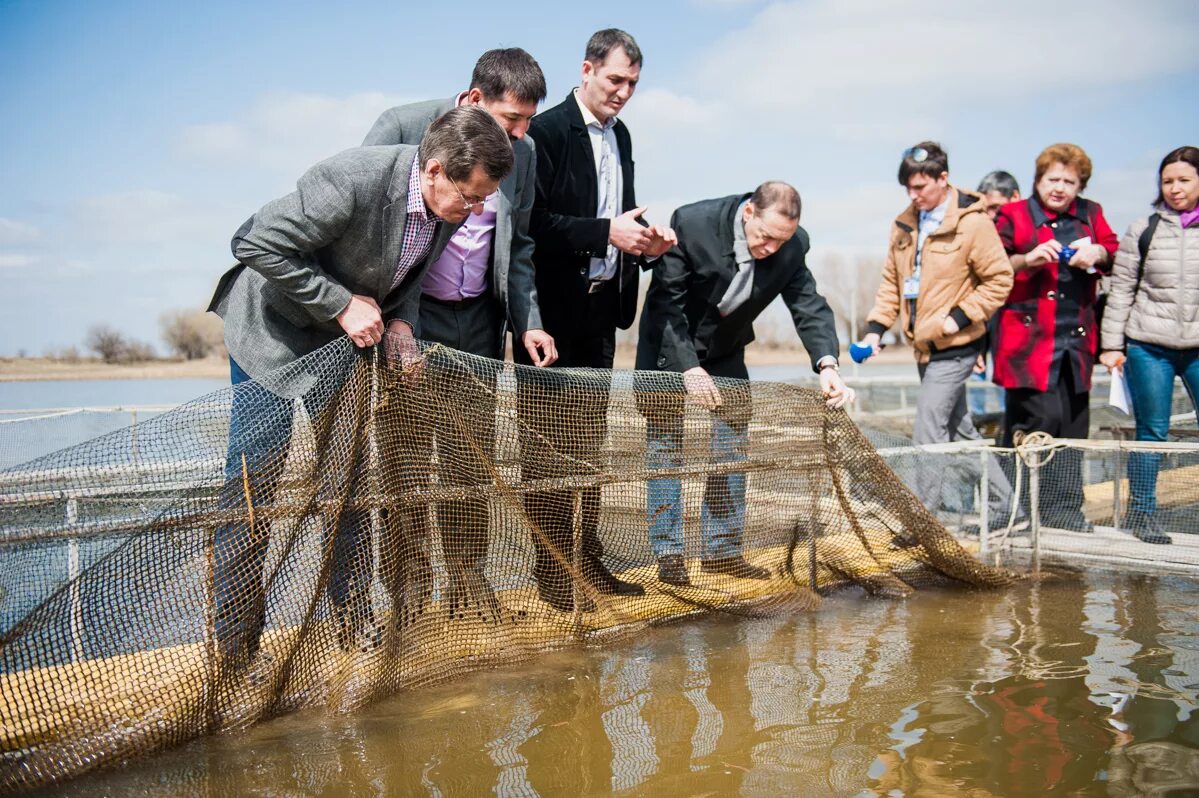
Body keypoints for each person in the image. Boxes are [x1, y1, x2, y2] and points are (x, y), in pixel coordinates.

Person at [206, 106, 514, 667]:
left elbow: (409, 277)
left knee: (346, 486)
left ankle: (350, 625)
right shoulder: (347, 179)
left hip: (340, 348)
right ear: (436, 170)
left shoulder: (446, 207)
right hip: (271, 336)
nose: (474, 214)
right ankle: (233, 648)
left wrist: (401, 322)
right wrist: (340, 303)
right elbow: (253, 243)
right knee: (255, 488)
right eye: (470, 198)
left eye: (482, 202)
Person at [360, 49, 555, 619]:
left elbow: (518, 249)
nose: (520, 136)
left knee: (472, 457)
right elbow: (375, 233)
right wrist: (397, 321)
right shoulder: (400, 126)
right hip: (409, 315)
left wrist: (530, 319)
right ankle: (411, 592)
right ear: (473, 101)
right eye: (510, 120)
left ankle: (470, 581)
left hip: (479, 320)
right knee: (407, 457)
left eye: (527, 124)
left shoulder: (527, 151)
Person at [518, 29, 675, 612]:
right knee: (547, 450)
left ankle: (588, 557)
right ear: (586, 70)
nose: (624, 93)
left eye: (633, 83)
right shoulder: (546, 131)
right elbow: (531, 225)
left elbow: (619, 213)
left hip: (603, 308)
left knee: (590, 445)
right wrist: (605, 230)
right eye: (615, 80)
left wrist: (643, 244)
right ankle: (552, 572)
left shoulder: (622, 134)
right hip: (550, 316)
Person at [635, 181, 852, 586]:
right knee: (665, 446)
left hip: (726, 347)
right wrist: (688, 369)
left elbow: (808, 304)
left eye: (781, 241)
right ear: (749, 212)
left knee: (732, 443)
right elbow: (668, 302)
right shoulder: (693, 223)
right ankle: (669, 554)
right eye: (765, 237)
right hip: (671, 343)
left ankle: (721, 550)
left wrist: (827, 365)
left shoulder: (791, 244)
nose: (770, 248)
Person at [861, 142, 1015, 531]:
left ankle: (922, 522)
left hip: (958, 344)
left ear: (943, 179)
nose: (914, 196)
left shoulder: (972, 222)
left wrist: (960, 317)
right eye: (908, 189)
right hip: (923, 348)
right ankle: (1007, 508)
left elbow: (999, 279)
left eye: (921, 187)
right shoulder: (903, 225)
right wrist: (876, 330)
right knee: (959, 432)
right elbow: (892, 284)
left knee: (928, 426)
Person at [993, 142, 1119, 532]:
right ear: (1038, 180)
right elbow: (993, 262)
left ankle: (1065, 511)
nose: (1060, 188)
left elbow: (1114, 250)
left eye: (1070, 181)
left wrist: (1096, 252)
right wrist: (1027, 259)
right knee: (1041, 418)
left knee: (1073, 427)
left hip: (1076, 342)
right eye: (1053, 179)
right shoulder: (1014, 215)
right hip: (1027, 344)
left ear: (1080, 185)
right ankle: (1026, 505)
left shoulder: (1091, 213)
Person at [1099, 145, 1199, 545]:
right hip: (1148, 345)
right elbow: (1121, 289)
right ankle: (1143, 515)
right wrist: (1111, 345)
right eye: (1167, 181)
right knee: (1151, 432)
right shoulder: (1145, 227)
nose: (1174, 189)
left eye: (1183, 180)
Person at [969, 171, 1022, 417]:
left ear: (1015, 197)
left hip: (1015, 321)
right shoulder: (979, 232)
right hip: (983, 318)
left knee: (1009, 388)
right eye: (986, 209)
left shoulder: (1027, 232)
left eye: (997, 208)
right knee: (975, 376)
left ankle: (1007, 420)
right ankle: (980, 422)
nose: (992, 215)